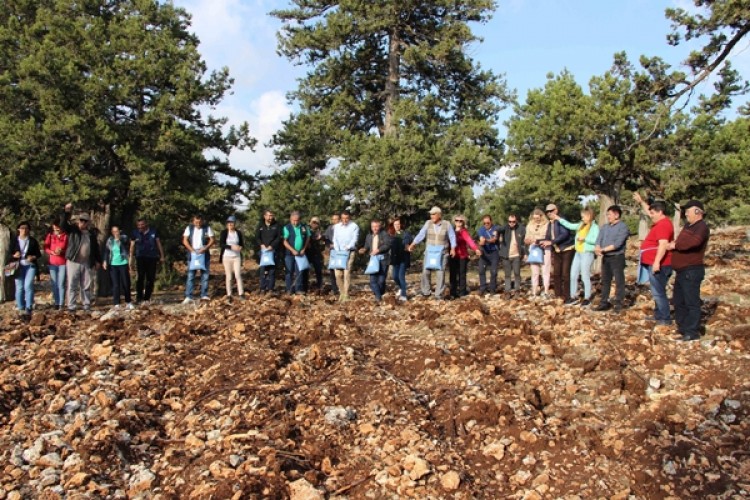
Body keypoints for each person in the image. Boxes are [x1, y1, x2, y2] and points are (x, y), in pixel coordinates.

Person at [668, 200, 710, 341]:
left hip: (692, 270)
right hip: (681, 271)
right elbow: (681, 241)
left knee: (691, 302)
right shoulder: (687, 226)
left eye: (688, 211)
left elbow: (693, 242)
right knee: (679, 301)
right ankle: (683, 329)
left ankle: (692, 332)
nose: (686, 213)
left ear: (698, 212)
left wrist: (675, 245)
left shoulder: (701, 227)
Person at [633, 193, 674, 325]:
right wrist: (641, 202)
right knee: (656, 291)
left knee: (658, 292)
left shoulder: (663, 225)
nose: (651, 216)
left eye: (653, 213)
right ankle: (659, 315)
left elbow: (663, 244)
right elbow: (649, 212)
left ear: (660, 212)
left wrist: (656, 262)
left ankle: (665, 319)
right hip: (651, 261)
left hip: (660, 264)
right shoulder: (659, 222)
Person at [408, 206, 456, 300]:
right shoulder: (428, 223)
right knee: (425, 272)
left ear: (439, 215)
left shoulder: (447, 224)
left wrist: (453, 248)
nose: (432, 216)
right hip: (430, 252)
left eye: (434, 214)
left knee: (440, 273)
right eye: (431, 214)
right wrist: (413, 243)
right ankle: (426, 292)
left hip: (442, 252)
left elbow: (452, 236)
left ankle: (439, 294)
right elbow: (421, 234)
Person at [553, 208, 599, 306]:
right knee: (573, 275)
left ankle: (587, 297)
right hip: (578, 253)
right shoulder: (580, 225)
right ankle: (572, 296)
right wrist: (559, 219)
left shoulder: (594, 227)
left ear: (589, 216)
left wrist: (585, 239)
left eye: (583, 216)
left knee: (585, 275)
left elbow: (596, 239)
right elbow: (570, 225)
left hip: (587, 253)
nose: (582, 218)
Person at [61, 205, 102, 312]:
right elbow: (63, 225)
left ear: (88, 222)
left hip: (86, 262)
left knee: (86, 285)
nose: (83, 222)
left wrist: (98, 260)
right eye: (81, 220)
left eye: (85, 221)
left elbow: (95, 248)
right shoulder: (73, 231)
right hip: (73, 261)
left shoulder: (91, 234)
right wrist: (66, 212)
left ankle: (86, 305)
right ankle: (71, 306)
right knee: (72, 284)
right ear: (78, 221)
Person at [594, 205, 630, 313]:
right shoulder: (605, 227)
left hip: (617, 257)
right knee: (605, 281)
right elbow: (598, 240)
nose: (608, 216)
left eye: (609, 214)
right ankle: (604, 302)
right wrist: (597, 248)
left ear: (616, 215)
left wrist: (603, 250)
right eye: (607, 214)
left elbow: (617, 244)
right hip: (606, 258)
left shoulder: (622, 227)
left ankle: (618, 304)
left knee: (619, 281)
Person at [541, 204, 574, 302]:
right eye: (547, 212)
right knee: (556, 273)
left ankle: (567, 296)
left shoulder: (561, 220)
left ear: (556, 210)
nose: (549, 213)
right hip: (556, 250)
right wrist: (540, 241)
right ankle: (558, 295)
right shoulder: (550, 223)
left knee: (565, 273)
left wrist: (552, 242)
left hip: (567, 249)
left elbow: (564, 234)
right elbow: (548, 236)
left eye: (551, 211)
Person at [129, 218, 165, 304]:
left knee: (150, 277)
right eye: (138, 225)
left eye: (142, 225)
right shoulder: (135, 233)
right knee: (140, 276)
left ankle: (147, 297)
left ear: (146, 224)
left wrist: (162, 256)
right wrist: (130, 257)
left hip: (152, 257)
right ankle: (139, 297)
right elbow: (132, 246)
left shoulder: (153, 231)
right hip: (140, 256)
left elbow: (158, 243)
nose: (140, 227)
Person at [10, 221, 42, 316]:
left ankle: (29, 306)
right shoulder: (14, 241)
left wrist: (33, 257)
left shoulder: (32, 241)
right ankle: (21, 307)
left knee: (28, 286)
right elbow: (8, 252)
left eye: (26, 228)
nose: (24, 230)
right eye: (22, 228)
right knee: (19, 287)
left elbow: (38, 254)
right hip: (17, 266)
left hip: (30, 266)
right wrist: (14, 255)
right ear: (18, 229)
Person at [182, 214, 215, 303]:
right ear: (193, 221)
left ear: (202, 221)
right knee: (191, 275)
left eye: (200, 222)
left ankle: (204, 295)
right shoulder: (189, 228)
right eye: (196, 222)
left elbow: (212, 239)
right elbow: (185, 240)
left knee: (205, 275)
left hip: (204, 253)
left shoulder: (207, 228)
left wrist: (206, 247)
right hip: (192, 254)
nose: (198, 224)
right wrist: (191, 250)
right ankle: (189, 296)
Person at [449, 214, 481, 299]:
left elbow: (469, 241)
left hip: (462, 256)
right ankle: (453, 292)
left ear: (463, 222)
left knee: (461, 274)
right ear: (454, 221)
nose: (458, 222)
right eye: (457, 220)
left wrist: (476, 249)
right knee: (452, 274)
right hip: (452, 255)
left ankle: (462, 293)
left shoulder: (464, 231)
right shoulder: (451, 230)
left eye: (460, 221)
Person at [102, 225, 134, 310]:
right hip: (113, 264)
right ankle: (116, 303)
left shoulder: (124, 238)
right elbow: (106, 252)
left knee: (126, 283)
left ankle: (128, 302)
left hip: (123, 263)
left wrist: (119, 239)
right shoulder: (109, 241)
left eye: (117, 231)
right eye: (114, 231)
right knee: (115, 285)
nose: (116, 233)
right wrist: (105, 261)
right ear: (112, 233)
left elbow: (131, 244)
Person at [360, 219, 392, 302]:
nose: (375, 228)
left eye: (376, 226)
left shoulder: (384, 234)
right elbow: (367, 246)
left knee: (381, 280)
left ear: (380, 226)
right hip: (373, 260)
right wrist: (363, 249)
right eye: (373, 226)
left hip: (383, 259)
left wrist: (378, 250)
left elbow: (387, 245)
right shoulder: (369, 236)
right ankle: (378, 297)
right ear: (371, 227)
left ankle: (380, 293)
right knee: (373, 280)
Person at [332, 210, 359, 301]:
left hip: (349, 252)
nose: (345, 220)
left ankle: (346, 294)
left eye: (346, 218)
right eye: (343, 218)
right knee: (337, 274)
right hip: (339, 252)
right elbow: (335, 238)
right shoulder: (336, 227)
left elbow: (354, 239)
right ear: (341, 218)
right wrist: (337, 248)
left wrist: (348, 247)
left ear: (349, 217)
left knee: (347, 273)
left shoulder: (354, 226)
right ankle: (342, 292)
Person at [524, 208, 550, 299]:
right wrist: (527, 240)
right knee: (534, 271)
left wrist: (538, 240)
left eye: (538, 218)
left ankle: (546, 291)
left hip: (544, 249)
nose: (536, 220)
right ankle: (534, 291)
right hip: (533, 249)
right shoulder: (529, 225)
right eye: (534, 218)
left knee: (545, 270)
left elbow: (549, 237)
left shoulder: (547, 225)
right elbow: (526, 237)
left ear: (541, 217)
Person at [282, 211, 310, 294]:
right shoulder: (287, 227)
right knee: (289, 271)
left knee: (300, 271)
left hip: (301, 253)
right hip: (290, 254)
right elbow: (284, 241)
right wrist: (292, 250)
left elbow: (308, 238)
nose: (295, 222)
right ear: (290, 219)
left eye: (297, 220)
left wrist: (304, 248)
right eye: (293, 220)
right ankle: (289, 289)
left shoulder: (304, 227)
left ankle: (299, 289)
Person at [499, 214, 526, 296]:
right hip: (506, 255)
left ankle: (517, 290)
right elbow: (499, 229)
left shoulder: (521, 228)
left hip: (516, 255)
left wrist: (525, 253)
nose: (511, 223)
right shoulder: (505, 228)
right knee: (507, 274)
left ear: (516, 221)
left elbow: (524, 242)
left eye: (513, 221)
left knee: (517, 273)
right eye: (510, 221)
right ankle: (507, 291)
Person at [44, 220, 68, 310]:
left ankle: (61, 303)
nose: (56, 229)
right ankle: (56, 302)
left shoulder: (66, 236)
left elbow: (69, 249)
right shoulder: (50, 236)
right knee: (54, 283)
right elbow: (45, 247)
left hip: (62, 262)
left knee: (61, 283)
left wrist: (62, 252)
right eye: (54, 228)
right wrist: (51, 252)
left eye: (57, 228)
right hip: (52, 262)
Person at [219, 215, 244, 300]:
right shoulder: (224, 232)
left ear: (234, 224)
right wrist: (231, 247)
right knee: (229, 276)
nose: (230, 224)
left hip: (236, 257)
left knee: (238, 275)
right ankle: (229, 294)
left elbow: (241, 244)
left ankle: (241, 293)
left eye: (232, 223)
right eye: (229, 223)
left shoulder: (238, 233)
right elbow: (221, 244)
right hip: (227, 256)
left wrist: (240, 247)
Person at [256, 209, 281, 294]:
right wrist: (261, 244)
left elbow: (278, 237)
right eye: (269, 215)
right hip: (263, 252)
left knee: (272, 271)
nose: (270, 217)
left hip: (273, 251)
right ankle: (262, 288)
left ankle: (271, 288)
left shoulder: (276, 225)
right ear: (265, 216)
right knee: (263, 270)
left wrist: (272, 246)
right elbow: (257, 237)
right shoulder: (260, 225)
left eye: (271, 215)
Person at [388, 217, 412, 301]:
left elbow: (409, 241)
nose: (397, 226)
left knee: (401, 276)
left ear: (401, 225)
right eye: (395, 224)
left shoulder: (406, 233)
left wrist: (407, 246)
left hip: (403, 258)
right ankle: (402, 287)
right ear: (393, 225)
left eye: (398, 224)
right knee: (395, 276)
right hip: (395, 259)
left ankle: (404, 295)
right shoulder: (391, 235)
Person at [476, 215, 501, 295]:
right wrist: (481, 243)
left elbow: (494, 239)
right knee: (481, 270)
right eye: (484, 223)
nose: (486, 224)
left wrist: (485, 240)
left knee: (493, 272)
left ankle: (492, 289)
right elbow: (480, 240)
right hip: (484, 252)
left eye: (488, 223)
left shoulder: (495, 228)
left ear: (491, 222)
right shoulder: (481, 230)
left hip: (494, 252)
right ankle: (482, 288)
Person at [304, 217, 326, 292]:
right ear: (310, 222)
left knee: (318, 270)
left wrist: (320, 238)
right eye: (313, 222)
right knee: (305, 270)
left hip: (317, 254)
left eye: (316, 223)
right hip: (307, 253)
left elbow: (323, 243)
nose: (314, 224)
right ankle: (305, 286)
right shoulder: (306, 230)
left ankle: (319, 286)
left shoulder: (320, 232)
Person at [324, 213, 341, 295]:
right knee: (332, 271)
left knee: (340, 270)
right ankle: (335, 289)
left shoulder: (343, 228)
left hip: (341, 251)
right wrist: (329, 244)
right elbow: (326, 238)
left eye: (336, 219)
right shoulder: (330, 228)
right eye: (333, 219)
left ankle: (341, 288)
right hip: (332, 252)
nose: (335, 221)